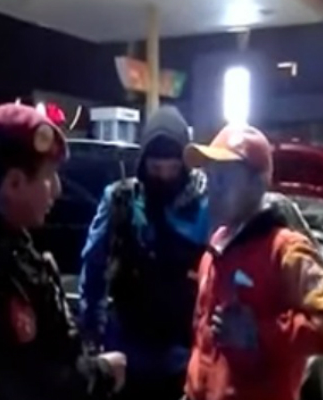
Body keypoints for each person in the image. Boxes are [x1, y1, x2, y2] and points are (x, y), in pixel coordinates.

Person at [0, 103, 126, 400]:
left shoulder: (12, 246)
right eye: (49, 176)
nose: (58, 190)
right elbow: (29, 385)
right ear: (14, 183)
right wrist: (101, 372)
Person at [182, 124, 323, 400]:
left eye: (223, 178)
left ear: (258, 184)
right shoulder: (215, 248)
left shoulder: (286, 252)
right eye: (209, 177)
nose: (211, 189)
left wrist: (262, 333)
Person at [79, 106, 210, 400]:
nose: (164, 177)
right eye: (155, 169)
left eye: (172, 170)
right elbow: (93, 268)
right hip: (127, 359)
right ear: (143, 164)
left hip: (183, 360)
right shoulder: (121, 200)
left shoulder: (204, 207)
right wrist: (91, 337)